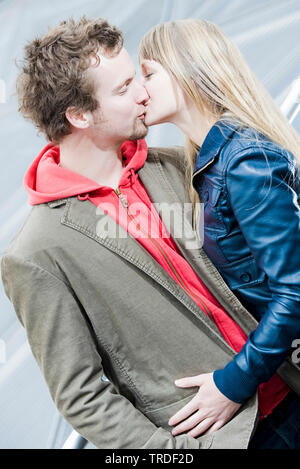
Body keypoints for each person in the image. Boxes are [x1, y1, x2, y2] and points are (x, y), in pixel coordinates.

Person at [0, 16, 296, 451]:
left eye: (138, 78)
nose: (142, 92)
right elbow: (82, 395)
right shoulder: (37, 252)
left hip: (290, 385)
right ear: (79, 114)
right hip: (218, 440)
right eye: (122, 88)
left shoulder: (186, 164)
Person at [139, 19, 300, 448]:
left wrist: (233, 382)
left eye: (149, 73)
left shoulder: (245, 159)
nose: (140, 90)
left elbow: (294, 293)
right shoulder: (209, 162)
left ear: (186, 68)